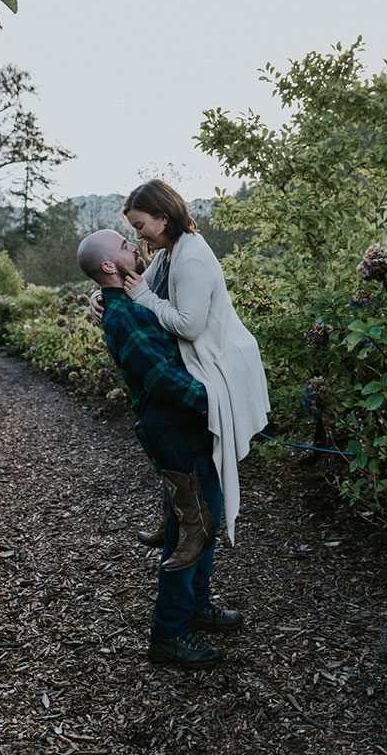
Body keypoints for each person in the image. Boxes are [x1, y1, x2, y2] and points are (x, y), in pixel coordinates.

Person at [78, 229, 242, 668]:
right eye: (124, 245)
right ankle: (169, 633)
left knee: (200, 515)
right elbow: (163, 381)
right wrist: (220, 401)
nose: (135, 245)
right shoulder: (124, 317)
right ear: (111, 266)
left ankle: (196, 607)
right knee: (192, 530)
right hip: (172, 429)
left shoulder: (127, 300)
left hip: (178, 429)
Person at [91, 179, 270, 546]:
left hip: (221, 364)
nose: (139, 236)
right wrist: (98, 293)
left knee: (181, 445)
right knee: (165, 433)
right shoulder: (168, 254)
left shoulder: (191, 256)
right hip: (200, 362)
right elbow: (130, 283)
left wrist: (141, 294)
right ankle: (177, 516)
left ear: (163, 216)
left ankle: (191, 526)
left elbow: (189, 325)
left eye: (140, 226)